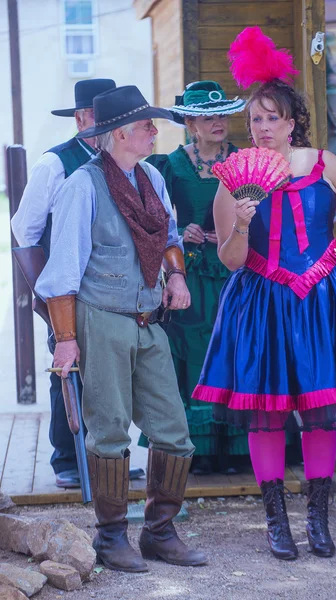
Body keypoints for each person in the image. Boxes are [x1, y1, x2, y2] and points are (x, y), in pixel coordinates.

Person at [193, 27, 336, 560]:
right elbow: (230, 260)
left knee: (320, 413)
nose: (260, 129)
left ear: (291, 123)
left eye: (269, 119)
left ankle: (319, 521)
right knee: (266, 414)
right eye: (253, 120)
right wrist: (239, 222)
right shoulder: (231, 179)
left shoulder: (324, 166)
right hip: (262, 303)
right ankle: (276, 523)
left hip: (323, 302)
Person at [35, 85, 207, 573]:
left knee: (174, 433)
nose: (155, 130)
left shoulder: (151, 175)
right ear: (118, 133)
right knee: (108, 432)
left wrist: (175, 275)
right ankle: (111, 537)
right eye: (146, 124)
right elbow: (62, 272)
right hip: (101, 320)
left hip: (150, 321)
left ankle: (160, 533)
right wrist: (66, 339)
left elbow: (170, 235)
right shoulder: (81, 186)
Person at [139, 80, 253, 475]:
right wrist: (182, 226)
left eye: (221, 114)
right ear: (190, 122)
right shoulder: (168, 166)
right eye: (207, 117)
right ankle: (199, 448)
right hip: (190, 273)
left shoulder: (247, 161)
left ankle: (240, 447)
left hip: (238, 268)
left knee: (239, 349)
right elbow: (154, 218)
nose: (217, 122)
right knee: (196, 354)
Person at [11, 78, 118, 489]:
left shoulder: (120, 161)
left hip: (111, 288)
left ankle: (104, 455)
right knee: (67, 369)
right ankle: (66, 460)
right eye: (98, 114)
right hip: (66, 289)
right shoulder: (54, 164)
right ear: (81, 118)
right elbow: (24, 229)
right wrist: (48, 294)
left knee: (108, 372)